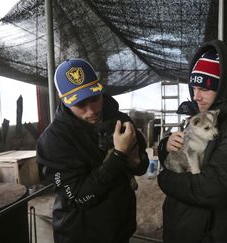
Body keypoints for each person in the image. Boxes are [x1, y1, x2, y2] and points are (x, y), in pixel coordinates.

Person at [158, 40, 227, 243]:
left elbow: (213, 187)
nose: (196, 96)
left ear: (223, 86)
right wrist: (166, 146)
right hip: (183, 226)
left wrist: (164, 179)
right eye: (194, 87)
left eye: (205, 89)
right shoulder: (200, 114)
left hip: (212, 232)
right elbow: (184, 150)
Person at [36, 58, 149, 243]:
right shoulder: (52, 141)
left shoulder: (120, 119)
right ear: (64, 100)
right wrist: (119, 156)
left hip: (121, 227)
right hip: (80, 234)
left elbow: (141, 166)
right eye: (81, 105)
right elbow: (80, 198)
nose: (92, 110)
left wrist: (136, 160)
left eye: (95, 98)